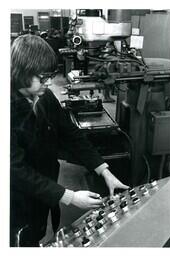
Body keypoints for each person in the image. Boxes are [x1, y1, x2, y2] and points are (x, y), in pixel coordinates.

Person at [10, 34, 129, 247]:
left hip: (46, 187)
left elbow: (70, 133)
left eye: (49, 76)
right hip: (17, 199)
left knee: (39, 231)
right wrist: (70, 196)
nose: (48, 82)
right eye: (41, 77)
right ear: (22, 72)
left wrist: (104, 171)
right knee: (21, 239)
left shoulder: (44, 96)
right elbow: (15, 170)